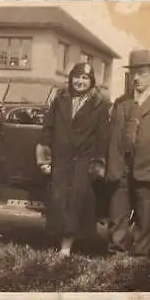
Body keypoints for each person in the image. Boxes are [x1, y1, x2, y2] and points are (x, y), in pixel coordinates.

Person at [105, 49, 150, 257]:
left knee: (145, 216)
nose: (136, 78)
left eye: (142, 73)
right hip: (120, 166)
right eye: (133, 74)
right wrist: (110, 164)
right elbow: (112, 134)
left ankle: (138, 255)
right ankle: (117, 252)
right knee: (117, 212)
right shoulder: (121, 102)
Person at [35, 62, 110, 257]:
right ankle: (56, 240)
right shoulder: (60, 99)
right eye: (77, 77)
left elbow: (103, 136)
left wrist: (97, 164)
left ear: (91, 82)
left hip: (83, 161)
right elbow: (47, 129)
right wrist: (45, 159)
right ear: (71, 79)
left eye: (85, 78)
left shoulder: (100, 104)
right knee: (58, 199)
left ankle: (67, 246)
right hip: (61, 160)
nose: (80, 81)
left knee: (76, 201)